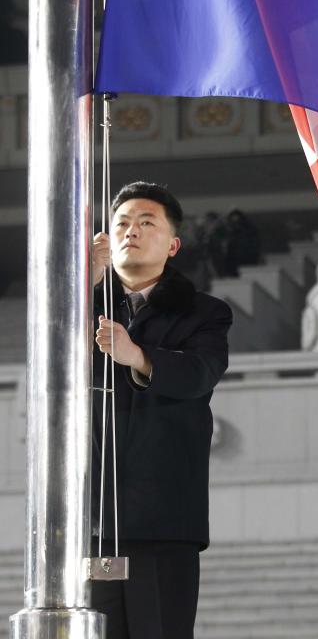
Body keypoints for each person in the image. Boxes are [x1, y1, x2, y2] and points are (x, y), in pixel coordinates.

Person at [90, 181, 233, 639]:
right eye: (122, 224)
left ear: (173, 244)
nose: (131, 231)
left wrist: (138, 356)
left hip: (164, 518)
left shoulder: (204, 313)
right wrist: (85, 285)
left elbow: (199, 374)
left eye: (146, 222)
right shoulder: (77, 304)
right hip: (89, 517)